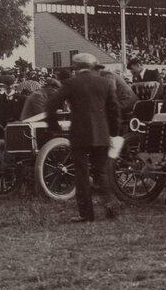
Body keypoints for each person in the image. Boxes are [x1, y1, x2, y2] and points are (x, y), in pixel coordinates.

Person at [45, 53, 120, 223]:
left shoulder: (71, 83)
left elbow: (51, 105)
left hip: (80, 134)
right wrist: (113, 132)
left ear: (76, 68)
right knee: (101, 172)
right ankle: (111, 206)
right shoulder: (106, 82)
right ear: (93, 66)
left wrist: (54, 128)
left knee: (82, 174)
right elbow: (114, 109)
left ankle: (86, 214)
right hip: (101, 134)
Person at [0, 74, 25, 139]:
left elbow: (23, 115)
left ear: (14, 85)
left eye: (11, 85)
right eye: (7, 85)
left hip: (16, 130)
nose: (9, 87)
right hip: (2, 130)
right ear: (3, 86)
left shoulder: (21, 98)